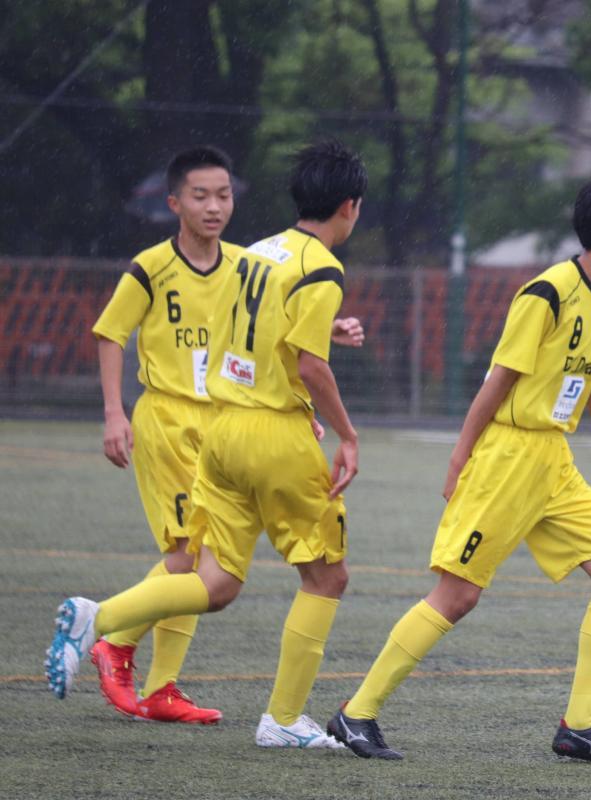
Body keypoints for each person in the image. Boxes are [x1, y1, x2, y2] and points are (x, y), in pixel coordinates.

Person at [46, 139, 368, 750]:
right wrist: (346, 433)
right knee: (327, 577)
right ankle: (283, 719)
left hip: (222, 430)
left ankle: (100, 618)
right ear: (350, 206)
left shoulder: (258, 253)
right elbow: (309, 364)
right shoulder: (323, 267)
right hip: (270, 434)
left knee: (214, 581)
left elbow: (235, 333)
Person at [326, 177, 591, 765]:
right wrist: (461, 457)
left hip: (553, 461)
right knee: (457, 595)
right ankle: (357, 713)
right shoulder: (546, 292)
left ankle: (580, 727)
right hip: (506, 457)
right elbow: (499, 378)